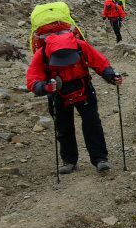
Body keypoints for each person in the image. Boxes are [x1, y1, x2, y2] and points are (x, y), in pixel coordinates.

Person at [26, 31, 122, 174]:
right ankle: (75, 160)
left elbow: (99, 62)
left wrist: (111, 76)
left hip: (81, 89)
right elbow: (33, 78)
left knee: (90, 123)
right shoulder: (43, 53)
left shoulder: (80, 46)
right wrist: (43, 87)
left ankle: (97, 159)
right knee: (66, 126)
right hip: (59, 93)